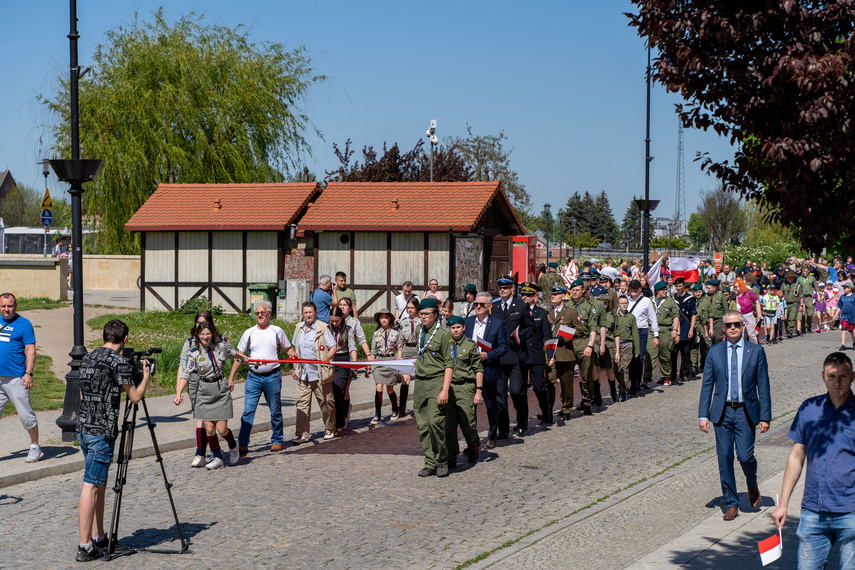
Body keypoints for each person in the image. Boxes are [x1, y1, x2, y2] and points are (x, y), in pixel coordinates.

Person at [771, 352, 855, 569]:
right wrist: (783, 504)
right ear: (823, 376)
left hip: (851, 511)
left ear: (853, 376)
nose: (837, 382)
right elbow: (797, 457)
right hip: (813, 511)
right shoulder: (809, 408)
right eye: (832, 376)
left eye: (843, 376)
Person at [75, 319, 149, 561]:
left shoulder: (88, 357)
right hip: (101, 433)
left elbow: (81, 391)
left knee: (99, 483)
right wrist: (145, 375)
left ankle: (99, 537)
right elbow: (135, 397)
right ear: (124, 338)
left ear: (105, 336)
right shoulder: (118, 363)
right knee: (91, 484)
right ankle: (84, 546)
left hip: (84, 428)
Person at [698, 310, 771, 521]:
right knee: (725, 457)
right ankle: (731, 502)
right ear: (723, 328)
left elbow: (763, 386)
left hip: (746, 411)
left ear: (742, 326)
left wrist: (764, 417)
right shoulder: (714, 352)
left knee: (746, 456)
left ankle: (751, 481)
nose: (733, 328)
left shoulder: (755, 352)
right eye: (729, 325)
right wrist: (703, 415)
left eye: (737, 324)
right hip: (722, 412)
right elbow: (707, 386)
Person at [229, 300, 296, 455]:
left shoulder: (277, 331)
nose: (260, 315)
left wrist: (293, 357)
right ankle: (243, 443)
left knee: (275, 410)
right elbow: (240, 356)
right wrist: (231, 377)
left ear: (269, 314)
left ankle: (277, 440)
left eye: (262, 313)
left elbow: (288, 349)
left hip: (272, 377)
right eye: (257, 313)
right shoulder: (249, 332)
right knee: (248, 411)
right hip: (253, 377)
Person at [181, 321, 246, 469]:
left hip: (220, 390)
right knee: (209, 428)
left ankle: (232, 444)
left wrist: (244, 358)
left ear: (213, 333)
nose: (205, 336)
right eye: (202, 334)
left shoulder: (220, 347)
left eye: (208, 333)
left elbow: (232, 354)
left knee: (222, 429)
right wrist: (179, 393)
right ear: (198, 335)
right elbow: (186, 372)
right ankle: (217, 456)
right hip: (204, 392)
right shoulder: (193, 353)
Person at [412, 298, 453, 477]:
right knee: (422, 425)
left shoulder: (444, 335)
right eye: (421, 314)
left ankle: (442, 459)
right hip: (420, 382)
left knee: (434, 422)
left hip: (437, 381)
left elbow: (449, 364)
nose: (424, 318)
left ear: (436, 315)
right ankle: (430, 462)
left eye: (427, 314)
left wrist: (445, 390)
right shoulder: (418, 330)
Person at [174, 310, 220, 466]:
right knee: (200, 417)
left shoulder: (216, 342)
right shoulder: (189, 342)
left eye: (204, 322)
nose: (201, 326)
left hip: (212, 382)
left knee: (210, 419)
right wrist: (178, 391)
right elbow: (182, 365)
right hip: (194, 381)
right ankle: (201, 453)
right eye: (198, 323)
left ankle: (213, 452)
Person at [464, 291, 509, 448]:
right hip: (469, 371)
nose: (478, 307)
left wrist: (488, 355)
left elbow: (504, 347)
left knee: (491, 406)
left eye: (482, 304)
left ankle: (492, 435)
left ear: (489, 306)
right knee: (470, 407)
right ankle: (472, 441)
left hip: (488, 369)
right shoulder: (468, 322)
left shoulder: (497, 323)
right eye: (476, 304)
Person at [0, 292, 42, 463]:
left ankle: (35, 447)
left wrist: (28, 373)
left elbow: (30, 350)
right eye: (3, 306)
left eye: (10, 306)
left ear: (15, 306)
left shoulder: (24, 324)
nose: (6, 309)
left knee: (26, 415)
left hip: (16, 378)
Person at [491, 275, 535, 433]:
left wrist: (519, 336)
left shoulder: (521, 306)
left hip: (516, 355)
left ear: (512, 289)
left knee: (516, 390)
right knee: (500, 395)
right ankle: (503, 429)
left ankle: (522, 422)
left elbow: (531, 328)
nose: (502, 290)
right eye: (500, 287)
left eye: (505, 287)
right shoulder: (494, 307)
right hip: (499, 357)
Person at [290, 302, 337, 443]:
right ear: (302, 314)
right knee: (302, 404)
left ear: (316, 313)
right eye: (305, 312)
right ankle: (302, 434)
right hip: (303, 373)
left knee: (326, 402)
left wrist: (327, 357)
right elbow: (295, 351)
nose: (308, 315)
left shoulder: (323, 328)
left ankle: (330, 428)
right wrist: (294, 367)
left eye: (310, 312)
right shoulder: (299, 328)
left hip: (320, 373)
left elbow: (333, 347)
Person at [444, 315, 484, 468]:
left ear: (464, 327)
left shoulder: (470, 345)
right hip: (449, 388)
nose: (455, 330)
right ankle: (451, 455)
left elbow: (478, 369)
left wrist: (478, 391)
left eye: (458, 327)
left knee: (468, 423)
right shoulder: (445, 345)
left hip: (465, 388)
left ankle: (474, 445)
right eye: (452, 328)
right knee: (449, 425)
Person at [519, 282, 554, 425]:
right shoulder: (518, 312)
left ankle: (546, 411)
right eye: (523, 295)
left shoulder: (542, 313)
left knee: (539, 386)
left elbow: (548, 336)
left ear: (535, 296)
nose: (524, 297)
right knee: (520, 390)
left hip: (537, 354)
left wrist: (551, 355)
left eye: (528, 295)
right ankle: (522, 420)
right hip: (521, 354)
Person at [546, 285, 579, 419]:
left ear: (563, 296)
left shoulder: (571, 312)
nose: (553, 296)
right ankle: (547, 410)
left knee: (566, 384)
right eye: (552, 294)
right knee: (548, 382)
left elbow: (580, 330)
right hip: (549, 353)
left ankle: (566, 408)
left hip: (565, 353)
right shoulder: (546, 312)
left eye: (557, 294)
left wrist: (565, 336)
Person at [567, 279, 599, 415]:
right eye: (573, 290)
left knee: (586, 374)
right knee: (566, 376)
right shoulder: (567, 306)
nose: (575, 292)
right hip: (568, 342)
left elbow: (593, 329)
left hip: (583, 341)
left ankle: (587, 401)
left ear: (583, 291)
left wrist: (590, 346)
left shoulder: (589, 307)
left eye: (577, 290)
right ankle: (566, 405)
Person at [338, 297, 372, 425]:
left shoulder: (354, 322)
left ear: (350, 308)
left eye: (345, 305)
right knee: (337, 388)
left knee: (345, 388)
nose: (342, 307)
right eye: (340, 304)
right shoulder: (334, 320)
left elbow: (362, 340)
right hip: (337, 358)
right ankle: (339, 414)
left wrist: (368, 356)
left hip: (350, 358)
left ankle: (344, 414)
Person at [326, 307, 358, 435]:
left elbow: (352, 346)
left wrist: (354, 364)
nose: (334, 324)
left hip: (343, 360)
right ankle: (332, 421)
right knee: (330, 394)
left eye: (337, 321)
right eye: (332, 321)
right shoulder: (326, 329)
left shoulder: (348, 329)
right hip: (330, 360)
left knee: (339, 390)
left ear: (342, 318)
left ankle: (339, 421)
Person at [370, 308, 403, 423]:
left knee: (390, 389)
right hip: (379, 361)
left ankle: (395, 409)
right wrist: (369, 366)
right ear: (379, 320)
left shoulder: (395, 333)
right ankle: (377, 413)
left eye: (385, 317)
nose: (383, 320)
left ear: (389, 318)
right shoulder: (376, 334)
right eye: (381, 317)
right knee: (379, 387)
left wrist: (399, 359)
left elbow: (399, 347)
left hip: (390, 361)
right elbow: (373, 351)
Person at [627, 279, 659, 396]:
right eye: (631, 288)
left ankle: (636, 384)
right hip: (628, 332)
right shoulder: (626, 301)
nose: (633, 290)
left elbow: (653, 318)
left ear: (640, 289)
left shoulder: (646, 301)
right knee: (629, 359)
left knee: (638, 358)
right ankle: (630, 383)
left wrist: (656, 335)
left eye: (635, 288)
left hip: (641, 331)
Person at [650, 281, 679, 387]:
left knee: (665, 354)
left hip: (665, 329)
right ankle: (647, 377)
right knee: (651, 353)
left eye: (666, 289)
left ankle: (666, 376)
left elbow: (676, 316)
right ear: (657, 291)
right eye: (663, 290)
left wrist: (675, 329)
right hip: (652, 328)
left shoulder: (670, 301)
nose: (665, 291)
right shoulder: (650, 300)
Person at [396, 297, 421, 419]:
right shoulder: (404, 321)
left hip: (418, 350)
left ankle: (418, 407)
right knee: (405, 380)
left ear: (417, 308)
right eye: (408, 308)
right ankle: (402, 408)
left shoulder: (421, 321)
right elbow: (400, 341)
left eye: (412, 308)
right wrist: (399, 356)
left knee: (418, 380)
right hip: (407, 351)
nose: (410, 310)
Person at [613, 295, 640, 402]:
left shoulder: (631, 318)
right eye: (622, 303)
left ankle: (623, 391)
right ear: (618, 305)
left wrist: (636, 350)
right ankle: (621, 384)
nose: (624, 305)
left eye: (626, 303)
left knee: (624, 368)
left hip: (627, 345)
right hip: (616, 345)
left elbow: (635, 334)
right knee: (616, 369)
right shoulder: (614, 317)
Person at [672, 277, 697, 383]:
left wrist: (691, 329)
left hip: (686, 328)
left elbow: (693, 315)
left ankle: (684, 373)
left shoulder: (690, 299)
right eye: (676, 286)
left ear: (684, 286)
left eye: (680, 286)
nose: (678, 288)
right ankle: (673, 374)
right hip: (676, 329)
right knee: (673, 353)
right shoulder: (673, 298)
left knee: (685, 353)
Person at [734, 278, 762, 344]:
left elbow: (757, 302)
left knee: (751, 334)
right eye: (734, 286)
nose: (735, 288)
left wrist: (759, 313)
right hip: (740, 316)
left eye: (736, 286)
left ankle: (755, 348)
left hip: (749, 315)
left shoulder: (748, 292)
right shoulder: (736, 296)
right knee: (742, 335)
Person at [797, 264, 819, 333]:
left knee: (809, 313)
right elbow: (796, 288)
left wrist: (817, 296)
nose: (804, 272)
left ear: (808, 271)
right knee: (803, 313)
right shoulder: (799, 278)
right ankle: (803, 328)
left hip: (809, 297)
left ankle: (808, 326)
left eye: (805, 271)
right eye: (803, 271)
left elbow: (816, 287)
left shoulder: (812, 278)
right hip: (802, 297)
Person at [839, 281, 855, 351]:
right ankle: (843, 344)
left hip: (853, 316)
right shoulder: (842, 297)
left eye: (845, 288)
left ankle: (854, 342)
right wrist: (835, 316)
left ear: (849, 289)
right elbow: (839, 307)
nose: (844, 289)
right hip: (844, 315)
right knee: (843, 330)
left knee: (852, 331)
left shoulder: (854, 296)